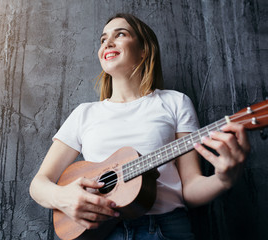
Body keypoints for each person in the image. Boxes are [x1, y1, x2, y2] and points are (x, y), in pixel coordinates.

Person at [29, 13, 250, 240]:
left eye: (120, 34)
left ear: (144, 50)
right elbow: (38, 184)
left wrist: (224, 179)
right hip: (100, 233)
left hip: (165, 229)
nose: (108, 43)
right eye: (103, 39)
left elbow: (190, 188)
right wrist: (64, 198)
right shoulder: (84, 113)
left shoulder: (175, 102)